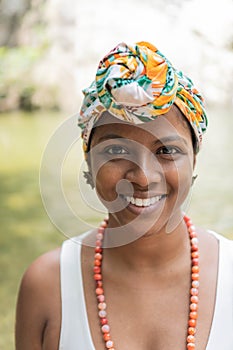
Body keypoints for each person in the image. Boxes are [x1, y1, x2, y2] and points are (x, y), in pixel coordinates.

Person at [15, 41, 233, 350]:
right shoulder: (48, 287)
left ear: (194, 161)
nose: (143, 177)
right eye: (116, 150)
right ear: (89, 163)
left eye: (166, 151)